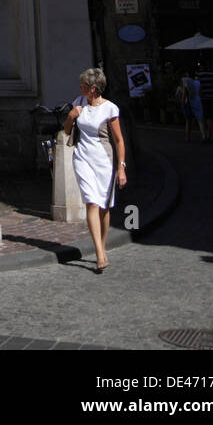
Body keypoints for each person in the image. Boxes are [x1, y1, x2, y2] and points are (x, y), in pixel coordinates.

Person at [63, 67, 126, 273]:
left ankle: (102, 243)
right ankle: (99, 253)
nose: (79, 87)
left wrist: (122, 167)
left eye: (83, 85)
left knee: (104, 207)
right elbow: (66, 131)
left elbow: (118, 140)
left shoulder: (110, 109)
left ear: (92, 89)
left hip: (104, 161)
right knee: (91, 202)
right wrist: (71, 116)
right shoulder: (78, 103)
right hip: (82, 158)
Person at [196, 62, 213, 142]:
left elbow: (200, 88)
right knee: (211, 115)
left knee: (207, 117)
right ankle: (208, 135)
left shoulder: (200, 75)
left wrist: (200, 96)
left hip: (205, 98)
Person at [180, 69, 206, 142]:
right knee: (200, 120)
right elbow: (201, 94)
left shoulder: (186, 81)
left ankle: (188, 137)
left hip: (188, 102)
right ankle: (204, 136)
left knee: (188, 120)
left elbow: (184, 95)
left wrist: (182, 104)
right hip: (197, 101)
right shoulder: (198, 82)